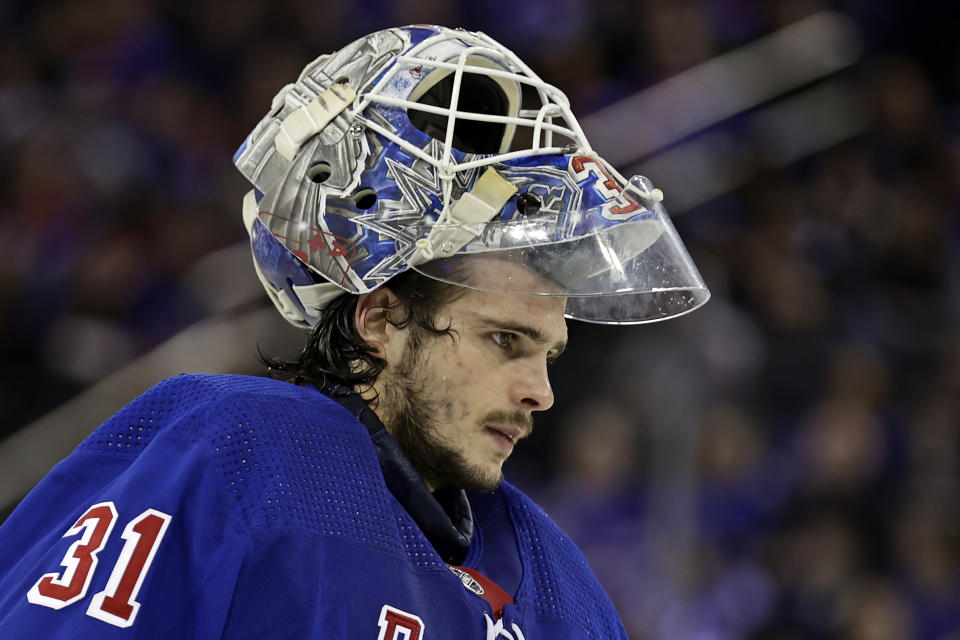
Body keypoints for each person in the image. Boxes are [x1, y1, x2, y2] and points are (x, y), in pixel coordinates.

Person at [0, 25, 709, 638]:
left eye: (548, 353)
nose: (541, 393)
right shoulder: (234, 450)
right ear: (380, 319)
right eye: (505, 340)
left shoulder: (561, 588)